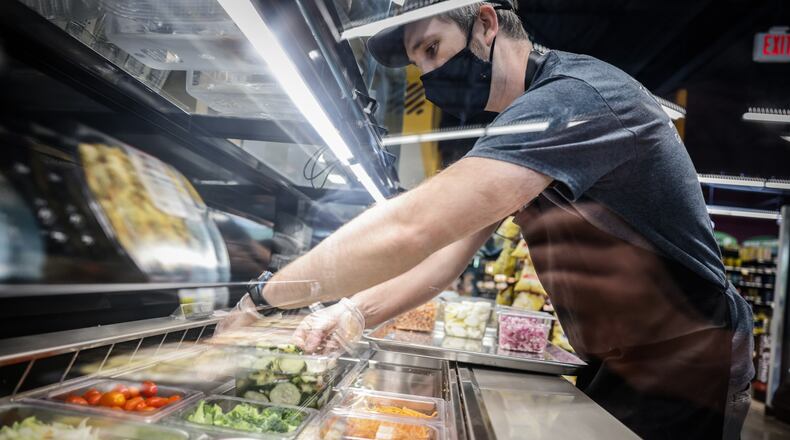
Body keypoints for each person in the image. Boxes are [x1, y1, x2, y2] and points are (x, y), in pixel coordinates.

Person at [261, 1, 753, 438]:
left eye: (432, 48)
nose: (429, 77)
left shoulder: (574, 98)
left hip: (689, 354)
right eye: (419, 65)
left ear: (486, 23)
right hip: (618, 353)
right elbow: (439, 263)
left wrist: (265, 297)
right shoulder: (522, 125)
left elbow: (412, 228)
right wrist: (352, 313)